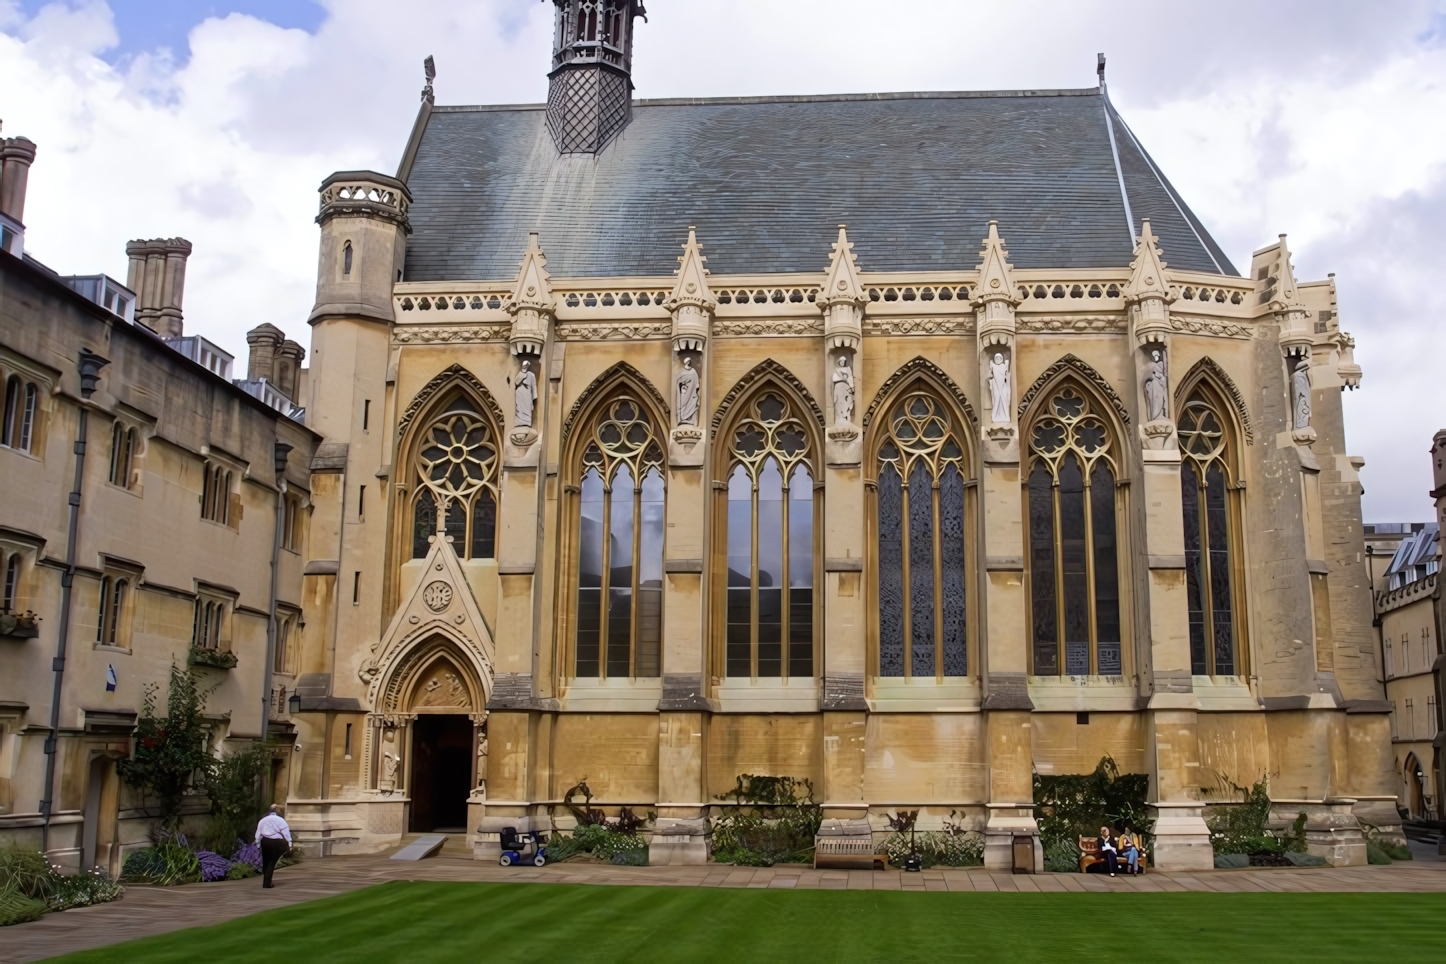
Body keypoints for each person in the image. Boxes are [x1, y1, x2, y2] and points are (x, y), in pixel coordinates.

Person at [255, 803, 293, 889]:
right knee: (272, 862)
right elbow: (286, 834)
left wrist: (257, 843)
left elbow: (258, 833)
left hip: (265, 841)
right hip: (276, 841)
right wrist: (290, 844)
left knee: (266, 861)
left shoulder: (263, 820)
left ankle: (266, 881)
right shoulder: (281, 820)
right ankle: (267, 883)